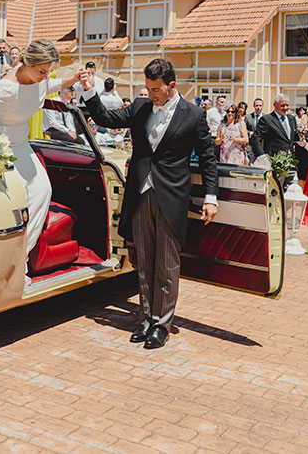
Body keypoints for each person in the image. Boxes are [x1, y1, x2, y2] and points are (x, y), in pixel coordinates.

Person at [81, 59, 217, 349]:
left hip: (172, 196)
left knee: (167, 264)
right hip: (140, 193)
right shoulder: (140, 107)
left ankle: (161, 324)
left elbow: (207, 158)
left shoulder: (193, 115)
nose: (150, 94)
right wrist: (90, 92)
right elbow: (106, 118)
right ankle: (145, 318)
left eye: (155, 89)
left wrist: (211, 197)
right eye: (147, 88)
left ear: (172, 86)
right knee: (142, 262)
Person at [0, 40, 84, 288]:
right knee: (9, 204)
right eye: (42, 71)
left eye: (48, 72)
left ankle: (21, 259)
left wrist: (74, 78)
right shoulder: (5, 88)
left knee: (42, 191)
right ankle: (0, 266)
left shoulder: (40, 81)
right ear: (28, 63)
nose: (45, 77)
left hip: (23, 148)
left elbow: (51, 85)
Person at [255, 94, 298, 163]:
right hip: (274, 161)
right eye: (282, 105)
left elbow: (295, 138)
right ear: (275, 105)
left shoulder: (291, 119)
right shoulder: (267, 119)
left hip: (290, 161)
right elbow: (256, 139)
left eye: (287, 105)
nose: (285, 108)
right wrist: (261, 155)